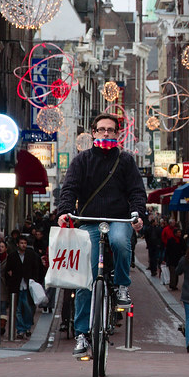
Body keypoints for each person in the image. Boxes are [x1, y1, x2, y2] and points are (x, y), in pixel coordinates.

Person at [56, 112, 146, 359]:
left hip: (118, 220)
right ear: (93, 133)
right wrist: (64, 212)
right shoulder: (81, 160)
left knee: (119, 241)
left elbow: (137, 191)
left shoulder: (126, 161)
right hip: (90, 222)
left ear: (117, 134)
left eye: (111, 130)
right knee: (86, 279)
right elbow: (69, 188)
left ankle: (122, 286)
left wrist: (138, 214)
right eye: (101, 129)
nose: (106, 133)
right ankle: (82, 334)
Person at [5, 235, 41, 337]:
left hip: (27, 286)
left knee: (28, 309)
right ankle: (20, 329)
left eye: (25, 243)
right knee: (17, 310)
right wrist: (10, 278)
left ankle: (28, 327)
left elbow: (36, 268)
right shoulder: (12, 256)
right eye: (21, 243)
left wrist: (34, 281)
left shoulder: (31, 255)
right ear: (17, 244)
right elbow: (8, 270)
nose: (23, 245)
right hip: (16, 286)